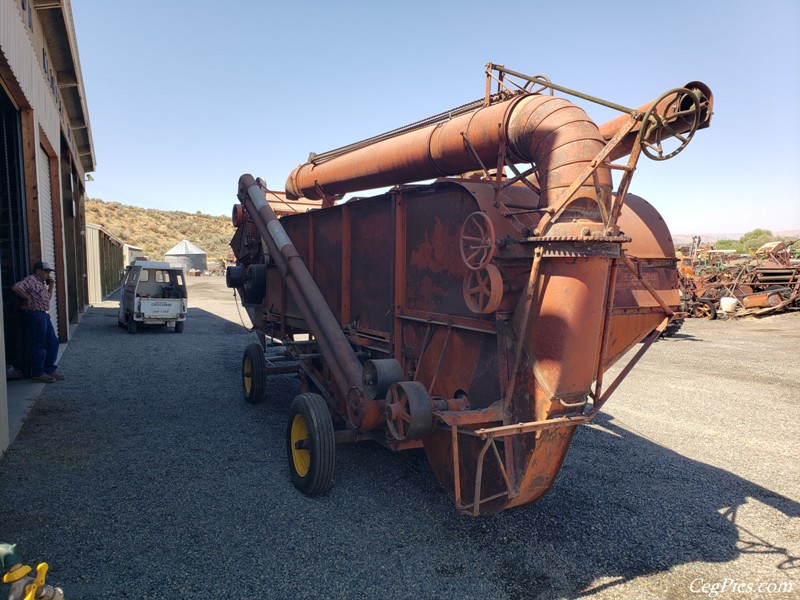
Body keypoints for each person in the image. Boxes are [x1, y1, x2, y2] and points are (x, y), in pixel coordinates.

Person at [11, 261, 65, 383]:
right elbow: (16, 287)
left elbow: (47, 298)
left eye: (49, 272)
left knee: (53, 342)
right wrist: (27, 298)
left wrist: (51, 287)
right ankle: (38, 372)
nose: (48, 274)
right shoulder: (31, 280)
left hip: (43, 315)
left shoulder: (40, 283)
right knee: (39, 344)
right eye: (46, 271)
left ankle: (49, 369)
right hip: (35, 315)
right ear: (38, 271)